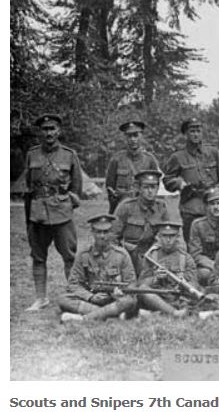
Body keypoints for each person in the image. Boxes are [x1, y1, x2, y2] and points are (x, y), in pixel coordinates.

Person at [24, 114, 82, 311]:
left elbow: (76, 187)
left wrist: (64, 204)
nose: (48, 133)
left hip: (62, 213)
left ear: (59, 131)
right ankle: (41, 298)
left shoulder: (69, 154)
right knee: (38, 256)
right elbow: (28, 186)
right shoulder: (32, 154)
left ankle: (74, 295)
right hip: (38, 213)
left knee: (69, 256)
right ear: (41, 132)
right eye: (45, 129)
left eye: (52, 129)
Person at [58, 215, 137, 322]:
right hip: (92, 299)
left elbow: (131, 283)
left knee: (130, 301)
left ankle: (83, 318)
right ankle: (109, 314)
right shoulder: (83, 254)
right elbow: (74, 283)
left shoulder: (122, 255)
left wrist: (118, 294)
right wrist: (90, 297)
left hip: (114, 299)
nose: (102, 236)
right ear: (92, 233)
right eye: (98, 232)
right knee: (63, 299)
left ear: (111, 233)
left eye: (106, 232)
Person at [163, 118, 219, 244]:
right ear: (185, 134)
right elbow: (167, 180)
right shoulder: (177, 157)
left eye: (198, 131)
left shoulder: (212, 152)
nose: (195, 134)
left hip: (213, 206)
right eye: (192, 131)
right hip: (191, 207)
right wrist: (179, 183)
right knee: (193, 244)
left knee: (218, 242)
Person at [112, 170, 169, 274]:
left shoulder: (161, 207)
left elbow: (166, 235)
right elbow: (113, 236)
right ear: (139, 188)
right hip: (129, 254)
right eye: (146, 187)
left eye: (153, 187)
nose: (150, 191)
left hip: (152, 254)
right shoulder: (126, 207)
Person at [137, 221, 199, 318]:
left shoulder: (186, 258)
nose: (168, 240)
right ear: (159, 237)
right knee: (143, 291)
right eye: (165, 236)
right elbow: (141, 283)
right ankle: (175, 313)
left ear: (177, 237)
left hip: (178, 296)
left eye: (172, 236)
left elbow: (194, 283)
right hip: (158, 297)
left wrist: (183, 281)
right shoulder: (151, 256)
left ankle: (162, 312)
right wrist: (155, 278)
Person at [105, 120, 159, 213]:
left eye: (136, 135)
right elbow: (110, 185)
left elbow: (155, 186)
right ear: (125, 138)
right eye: (129, 136)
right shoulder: (116, 159)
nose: (133, 139)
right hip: (121, 208)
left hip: (143, 208)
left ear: (141, 136)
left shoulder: (150, 160)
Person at [188, 187, 219, 286]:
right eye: (212, 204)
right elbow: (195, 254)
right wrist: (215, 266)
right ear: (206, 207)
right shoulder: (197, 225)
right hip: (208, 266)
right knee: (204, 274)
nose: (216, 207)